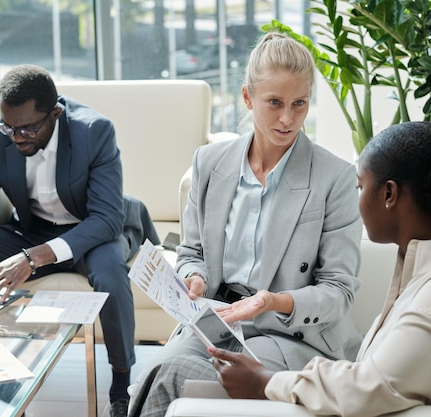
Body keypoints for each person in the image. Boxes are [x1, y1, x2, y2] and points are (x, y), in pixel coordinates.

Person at [127, 32, 364, 417]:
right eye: (274, 103)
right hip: (216, 319)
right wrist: (195, 278)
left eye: (299, 104)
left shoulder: (334, 178)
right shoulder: (209, 163)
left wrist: (273, 302)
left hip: (288, 332)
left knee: (178, 376)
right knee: (156, 369)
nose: (288, 119)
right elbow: (191, 252)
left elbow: (339, 291)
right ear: (247, 98)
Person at [207, 121, 431, 416]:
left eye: (361, 186)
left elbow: (367, 386)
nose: (358, 199)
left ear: (389, 194)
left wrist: (264, 382)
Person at [0, 64, 158, 417]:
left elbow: (106, 219)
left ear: (55, 114)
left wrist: (32, 259)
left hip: (94, 228)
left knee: (109, 273)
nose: (16, 138)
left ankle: (122, 383)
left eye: (28, 128)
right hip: (34, 229)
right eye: (9, 128)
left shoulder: (94, 131)